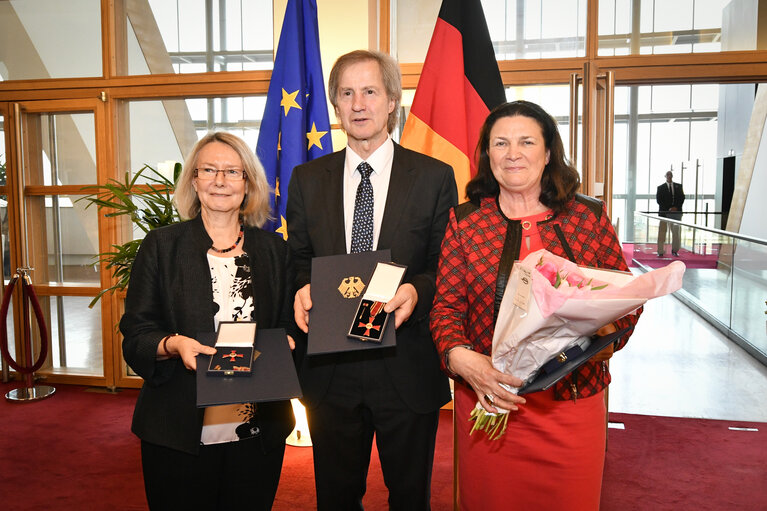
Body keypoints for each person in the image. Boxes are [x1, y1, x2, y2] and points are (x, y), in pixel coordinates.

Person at [430, 100, 641, 510]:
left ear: (547, 154)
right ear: (487, 154)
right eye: (500, 143)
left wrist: (603, 334)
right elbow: (445, 309)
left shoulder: (589, 217)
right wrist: (461, 358)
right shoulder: (465, 222)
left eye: (526, 142)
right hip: (489, 402)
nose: (513, 153)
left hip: (572, 406)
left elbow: (626, 300)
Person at [287, 50, 457, 510]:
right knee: (337, 498)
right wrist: (303, 286)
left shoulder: (434, 178)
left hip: (405, 364)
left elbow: (446, 264)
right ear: (335, 106)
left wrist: (416, 291)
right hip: (331, 370)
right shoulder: (306, 180)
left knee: (409, 497)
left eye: (369, 91)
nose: (358, 103)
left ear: (391, 103)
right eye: (346, 93)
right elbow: (298, 259)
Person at [120, 132, 297, 510]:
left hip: (257, 432)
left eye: (232, 171)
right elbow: (136, 334)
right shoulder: (161, 246)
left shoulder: (274, 252)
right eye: (209, 170)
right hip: (178, 431)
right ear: (194, 180)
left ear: (248, 183)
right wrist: (172, 344)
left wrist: (290, 341)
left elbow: (289, 324)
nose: (220, 180)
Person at [656, 170, 685, 256]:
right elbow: (659, 200)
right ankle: (660, 251)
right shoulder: (660, 188)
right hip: (664, 213)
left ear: (672, 176)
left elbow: (682, 198)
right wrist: (668, 209)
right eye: (667, 175)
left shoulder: (678, 186)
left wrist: (675, 208)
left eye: (670, 175)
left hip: (676, 214)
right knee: (662, 232)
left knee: (675, 233)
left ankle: (675, 250)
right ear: (665, 176)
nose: (669, 176)